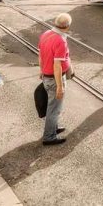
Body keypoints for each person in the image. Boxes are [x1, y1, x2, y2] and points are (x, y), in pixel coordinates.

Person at [38, 14, 71, 146]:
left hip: (47, 76)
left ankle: (54, 127)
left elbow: (40, 55)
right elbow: (57, 65)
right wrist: (59, 86)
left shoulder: (46, 34)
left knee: (53, 106)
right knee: (53, 108)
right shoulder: (60, 41)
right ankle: (49, 137)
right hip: (54, 79)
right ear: (67, 26)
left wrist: (41, 70)